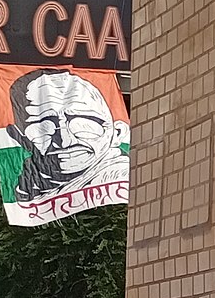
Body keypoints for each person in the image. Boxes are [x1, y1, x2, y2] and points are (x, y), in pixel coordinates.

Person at [9, 67, 127, 200]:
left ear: (117, 133)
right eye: (44, 125)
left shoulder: (128, 180)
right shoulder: (25, 188)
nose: (65, 141)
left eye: (82, 123)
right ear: (19, 138)